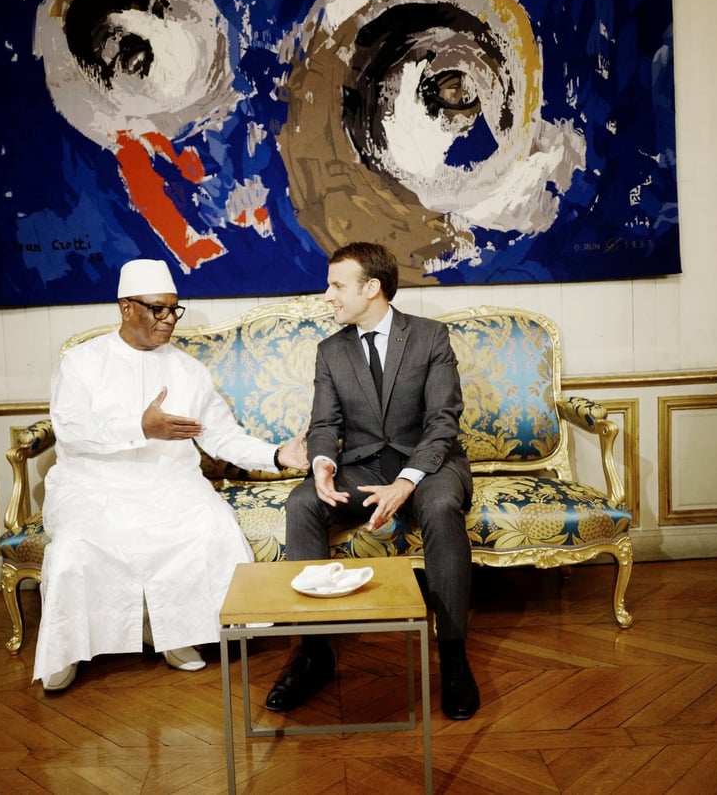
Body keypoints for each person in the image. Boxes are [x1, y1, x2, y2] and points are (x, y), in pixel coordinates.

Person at [34, 259, 309, 692]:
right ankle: (65, 649)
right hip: (94, 484)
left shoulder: (187, 371)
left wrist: (277, 454)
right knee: (74, 547)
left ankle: (175, 634)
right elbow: (70, 432)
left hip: (169, 481)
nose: (168, 321)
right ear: (126, 307)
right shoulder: (82, 362)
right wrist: (139, 428)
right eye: (156, 309)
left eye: (173, 310)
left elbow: (220, 435)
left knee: (211, 528)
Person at [265, 241, 480, 720]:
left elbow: (443, 422)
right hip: (362, 468)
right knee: (302, 504)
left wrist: (407, 481)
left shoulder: (430, 338)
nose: (327, 295)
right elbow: (324, 426)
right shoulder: (330, 351)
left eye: (337, 285)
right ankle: (314, 654)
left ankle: (454, 658)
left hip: (431, 465)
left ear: (372, 288)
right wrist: (321, 462)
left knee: (442, 508)